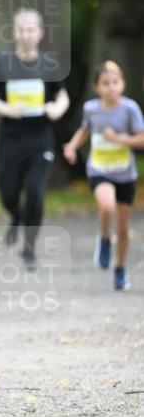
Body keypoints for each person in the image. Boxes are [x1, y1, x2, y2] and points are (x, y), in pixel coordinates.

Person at [0, 7, 69, 268]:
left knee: (35, 194)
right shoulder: (3, 63)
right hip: (10, 139)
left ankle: (29, 248)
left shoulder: (49, 64)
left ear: (39, 33)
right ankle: (15, 216)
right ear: (14, 32)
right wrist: (7, 109)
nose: (26, 34)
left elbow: (62, 96)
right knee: (8, 193)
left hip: (39, 139)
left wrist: (57, 109)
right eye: (22, 29)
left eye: (31, 29)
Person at [63, 60, 144, 290]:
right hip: (99, 169)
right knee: (107, 206)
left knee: (124, 227)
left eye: (115, 82)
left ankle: (120, 268)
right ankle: (105, 239)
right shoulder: (92, 108)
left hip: (125, 173)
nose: (111, 87)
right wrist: (72, 146)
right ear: (97, 87)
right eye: (105, 83)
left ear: (123, 84)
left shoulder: (130, 109)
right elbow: (85, 129)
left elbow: (141, 138)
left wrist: (120, 140)